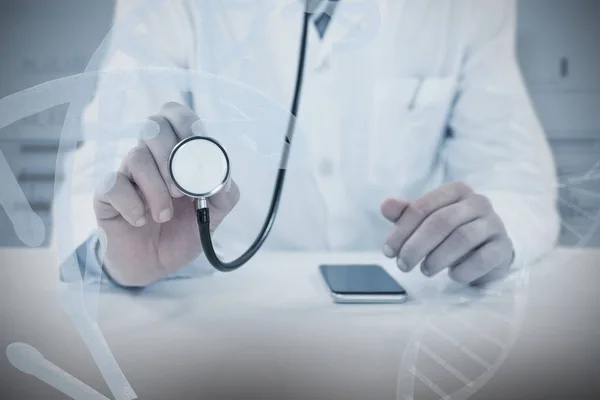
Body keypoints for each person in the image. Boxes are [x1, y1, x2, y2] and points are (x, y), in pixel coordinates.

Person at [56, 0, 560, 288]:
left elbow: (517, 181)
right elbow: (103, 167)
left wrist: (495, 231)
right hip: (216, 313)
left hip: (408, 316)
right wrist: (120, 256)